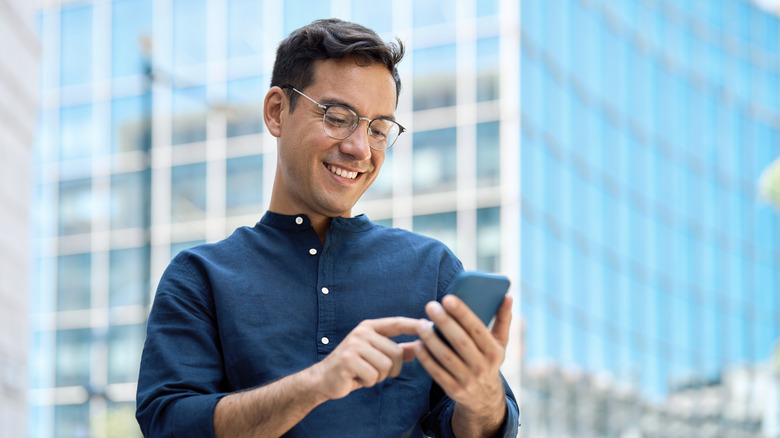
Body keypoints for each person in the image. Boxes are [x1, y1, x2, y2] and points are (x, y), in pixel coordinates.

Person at [136, 18, 519, 438]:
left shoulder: (432, 268)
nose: (360, 148)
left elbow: (473, 428)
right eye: (338, 117)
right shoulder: (200, 276)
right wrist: (315, 383)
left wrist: (482, 395)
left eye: (378, 129)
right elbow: (170, 425)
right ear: (277, 112)